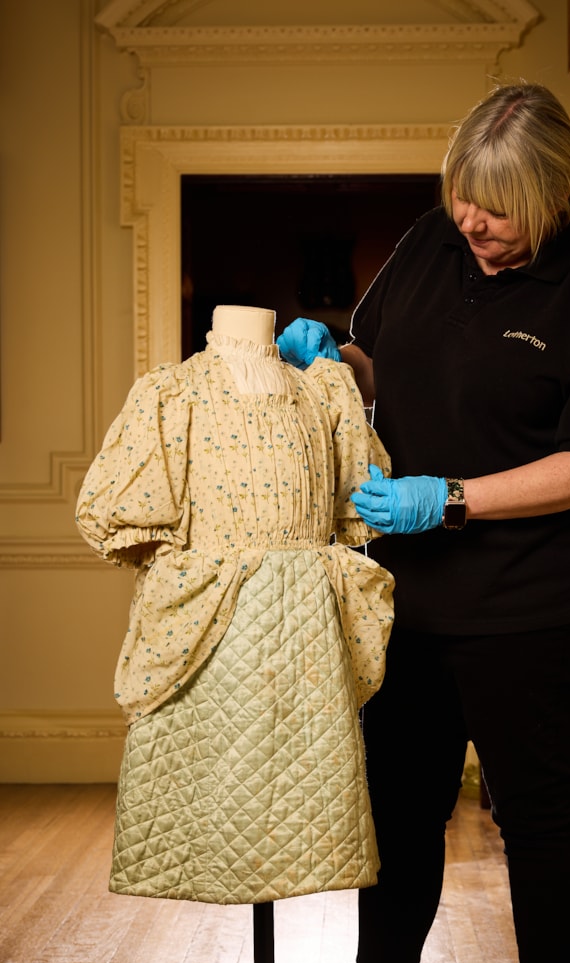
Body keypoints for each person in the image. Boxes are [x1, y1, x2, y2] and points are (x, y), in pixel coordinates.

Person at [275, 82, 570, 963]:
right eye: (463, 194)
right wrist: (332, 358)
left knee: (537, 822)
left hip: (533, 602)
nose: (474, 219)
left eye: (497, 206)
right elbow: (381, 364)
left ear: (549, 197)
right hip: (410, 599)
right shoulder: (430, 243)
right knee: (400, 812)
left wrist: (449, 497)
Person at [76, 304, 395, 907]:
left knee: (305, 800)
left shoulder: (322, 390)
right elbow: (119, 515)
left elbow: (356, 502)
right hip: (208, 621)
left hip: (305, 629)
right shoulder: (171, 394)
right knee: (208, 794)